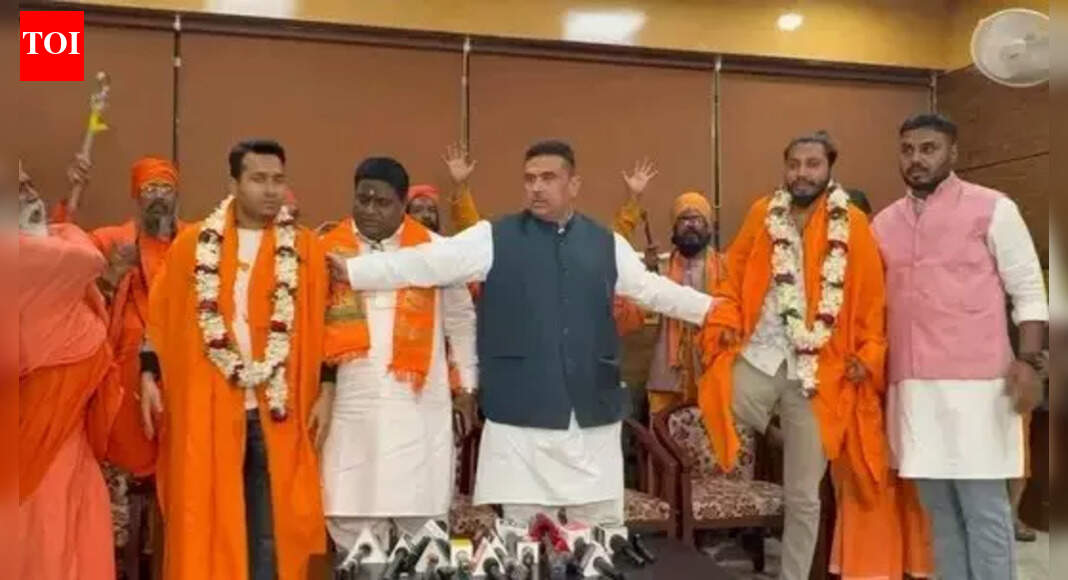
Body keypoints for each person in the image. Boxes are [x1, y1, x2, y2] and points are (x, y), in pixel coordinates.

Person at [328, 140, 714, 527]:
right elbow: (428, 263)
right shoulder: (493, 237)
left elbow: (652, 289)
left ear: (573, 184)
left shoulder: (604, 243)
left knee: (598, 533)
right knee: (524, 538)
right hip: (520, 420)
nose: (536, 187)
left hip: (590, 416)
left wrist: (713, 311)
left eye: (548, 178)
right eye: (529, 179)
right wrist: (356, 271)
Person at [699, 131, 895, 579]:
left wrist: (868, 351)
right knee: (717, 392)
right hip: (761, 353)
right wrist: (726, 319)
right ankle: (775, 431)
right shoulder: (760, 214)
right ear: (784, 167)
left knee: (804, 495)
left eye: (813, 164)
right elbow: (731, 275)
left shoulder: (854, 224)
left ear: (829, 168)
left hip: (817, 371)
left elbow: (869, 298)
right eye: (795, 164)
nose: (802, 173)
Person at [873, 113, 1047, 579]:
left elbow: (1029, 288)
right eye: (908, 149)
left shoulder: (992, 207)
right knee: (940, 511)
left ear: (953, 153)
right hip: (912, 386)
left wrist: (1030, 362)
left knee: (984, 509)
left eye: (928, 149)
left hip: (980, 385)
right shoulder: (883, 224)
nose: (916, 159)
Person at [147, 139, 330, 580]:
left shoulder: (306, 249)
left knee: (274, 526)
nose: (270, 190)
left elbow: (329, 326)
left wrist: (328, 387)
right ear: (233, 183)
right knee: (208, 516)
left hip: (280, 409)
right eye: (258, 179)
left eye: (278, 180)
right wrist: (149, 376)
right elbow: (159, 317)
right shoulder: (192, 246)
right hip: (208, 407)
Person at [319, 157, 478, 551]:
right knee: (351, 510)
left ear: (403, 203)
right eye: (363, 199)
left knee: (420, 513)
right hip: (352, 402)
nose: (369, 211)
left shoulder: (438, 251)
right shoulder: (324, 250)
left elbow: (460, 320)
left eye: (382, 202)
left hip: (420, 402)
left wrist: (468, 388)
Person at [19, 175, 121, 579]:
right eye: (15, 188)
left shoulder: (74, 268)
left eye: (28, 184)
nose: (29, 192)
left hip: (71, 458)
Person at [613, 159, 727, 415]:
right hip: (666, 377)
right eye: (683, 220)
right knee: (665, 448)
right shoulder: (659, 270)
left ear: (708, 227)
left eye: (697, 219)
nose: (690, 225)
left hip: (713, 372)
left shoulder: (726, 268)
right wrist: (633, 201)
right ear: (674, 228)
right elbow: (610, 251)